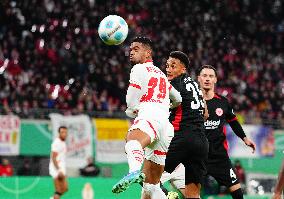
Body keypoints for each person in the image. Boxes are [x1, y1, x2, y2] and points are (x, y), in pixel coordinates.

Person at [112, 37, 182, 199]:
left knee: (132, 142)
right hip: (165, 126)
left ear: (147, 53)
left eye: (136, 49)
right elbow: (178, 98)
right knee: (151, 186)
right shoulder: (161, 75)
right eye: (130, 50)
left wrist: (133, 110)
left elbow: (130, 101)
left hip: (149, 115)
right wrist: (165, 106)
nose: (131, 52)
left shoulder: (138, 69)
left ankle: (134, 172)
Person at [197, 65, 256, 199]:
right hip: (198, 157)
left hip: (219, 157)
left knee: (238, 193)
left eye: (210, 76)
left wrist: (245, 138)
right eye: (204, 76)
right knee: (191, 193)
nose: (207, 79)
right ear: (199, 79)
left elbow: (233, 121)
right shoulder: (192, 102)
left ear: (215, 80)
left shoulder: (222, 102)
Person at [164, 51, 209, 199]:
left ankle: (169, 196)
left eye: (173, 66)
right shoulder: (195, 85)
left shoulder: (173, 85)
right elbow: (206, 114)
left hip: (182, 138)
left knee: (149, 176)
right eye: (167, 66)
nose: (168, 69)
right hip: (201, 142)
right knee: (193, 195)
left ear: (183, 69)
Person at [49, 126, 68, 199]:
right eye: (62, 132)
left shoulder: (63, 143)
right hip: (56, 169)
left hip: (61, 168)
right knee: (59, 189)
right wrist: (58, 170)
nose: (64, 134)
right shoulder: (56, 143)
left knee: (65, 188)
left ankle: (52, 198)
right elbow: (54, 157)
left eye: (65, 132)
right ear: (59, 133)